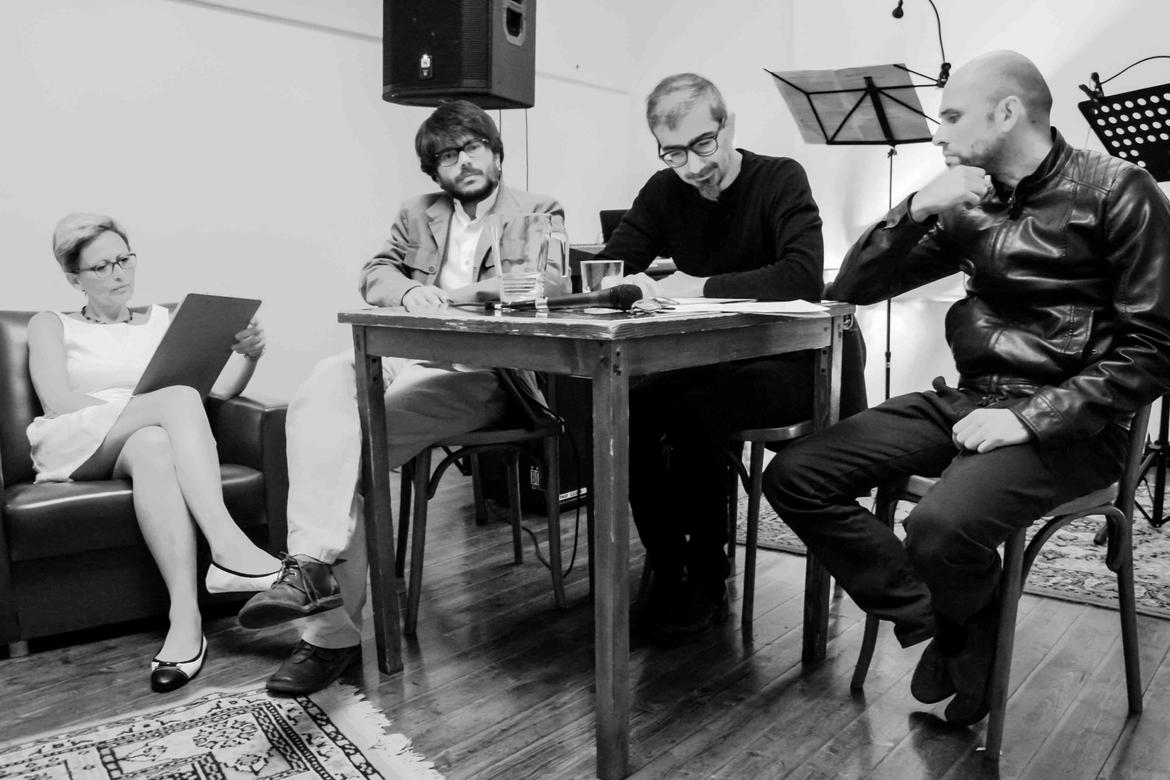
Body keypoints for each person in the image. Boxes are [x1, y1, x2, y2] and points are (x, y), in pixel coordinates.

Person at [765, 50, 1170, 726]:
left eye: (952, 116)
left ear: (1007, 112)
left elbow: (1154, 348)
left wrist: (1032, 418)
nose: (938, 133)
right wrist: (915, 207)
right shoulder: (966, 201)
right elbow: (852, 288)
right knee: (796, 475)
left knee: (937, 527)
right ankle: (958, 625)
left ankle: (961, 625)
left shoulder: (1119, 189)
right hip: (971, 399)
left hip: (1076, 425)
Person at [238, 100, 567, 695]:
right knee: (321, 389)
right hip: (403, 358)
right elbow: (375, 273)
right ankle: (310, 565)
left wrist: (451, 295)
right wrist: (409, 292)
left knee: (349, 449)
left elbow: (548, 281)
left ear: (496, 153)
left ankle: (329, 638)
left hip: (486, 374)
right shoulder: (417, 212)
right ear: (434, 171)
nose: (462, 161)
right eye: (447, 155)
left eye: (472, 147)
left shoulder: (537, 208)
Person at [593, 73, 828, 644]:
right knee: (631, 406)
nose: (693, 167)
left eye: (703, 144)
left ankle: (707, 571)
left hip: (793, 359)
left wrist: (694, 286)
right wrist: (622, 285)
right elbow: (612, 268)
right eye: (674, 153)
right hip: (713, 359)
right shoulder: (663, 189)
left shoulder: (780, 178)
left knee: (693, 414)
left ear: (729, 126)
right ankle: (667, 564)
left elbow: (802, 276)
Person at [27, 213, 281, 693]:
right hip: (75, 438)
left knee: (154, 443)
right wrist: (147, 406)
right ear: (74, 279)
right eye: (101, 267)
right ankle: (228, 548)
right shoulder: (50, 323)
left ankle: (185, 621)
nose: (118, 273)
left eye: (124, 259)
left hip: (145, 435)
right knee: (174, 401)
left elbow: (214, 396)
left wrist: (249, 355)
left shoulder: (163, 321)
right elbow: (57, 400)